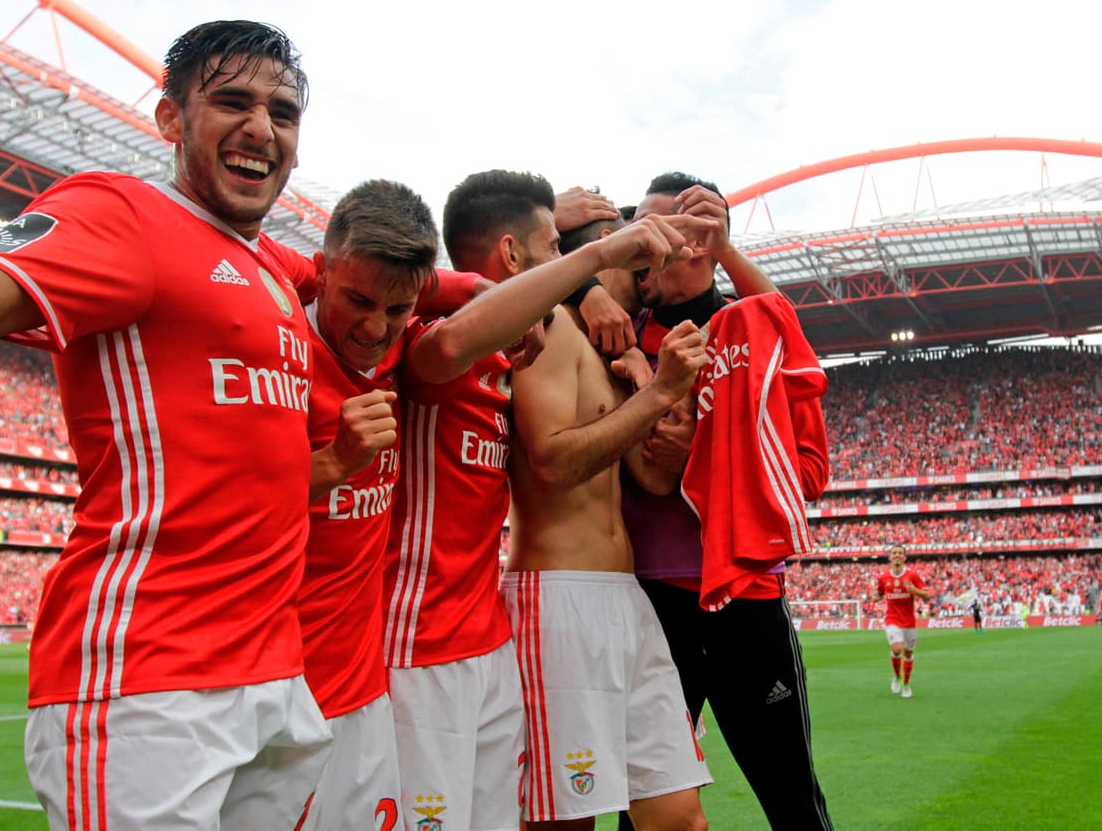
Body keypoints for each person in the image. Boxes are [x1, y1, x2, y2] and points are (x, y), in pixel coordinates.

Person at [0, 20, 332, 828]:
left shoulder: (271, 262)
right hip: (150, 679)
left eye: (283, 112)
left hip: (274, 673)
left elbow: (368, 269)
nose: (261, 128)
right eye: (232, 102)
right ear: (169, 119)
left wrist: (519, 279)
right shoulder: (124, 214)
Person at [383, 171, 701, 831]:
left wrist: (655, 397)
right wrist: (659, 392)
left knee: (680, 817)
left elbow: (651, 479)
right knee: (564, 819)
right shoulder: (540, 327)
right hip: (555, 598)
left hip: (621, 596)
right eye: (555, 246)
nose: (645, 272)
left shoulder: (595, 341)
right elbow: (553, 463)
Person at [618, 172, 834, 831]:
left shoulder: (758, 336)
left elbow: (808, 474)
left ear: (697, 241)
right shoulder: (616, 334)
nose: (638, 242)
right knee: (642, 815)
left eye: (653, 228)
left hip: (747, 599)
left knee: (794, 804)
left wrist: (704, 456)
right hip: (650, 602)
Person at [877, 544, 931, 698]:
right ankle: (897, 677)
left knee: (908, 653)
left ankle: (906, 684)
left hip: (909, 622)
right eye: (894, 553)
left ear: (904, 557)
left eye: (900, 553)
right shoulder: (883, 578)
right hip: (892, 619)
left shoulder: (912, 576)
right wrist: (876, 598)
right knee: (896, 649)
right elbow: (880, 593)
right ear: (890, 557)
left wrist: (913, 590)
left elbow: (926, 595)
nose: (897, 555)